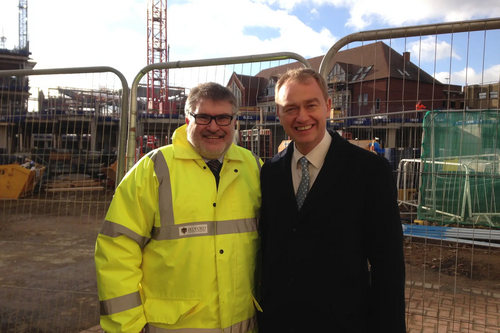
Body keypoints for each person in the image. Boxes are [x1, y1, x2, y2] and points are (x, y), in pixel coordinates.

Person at [95, 82, 262, 333]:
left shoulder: (254, 167)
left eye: (223, 118)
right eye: (203, 117)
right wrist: (126, 328)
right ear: (187, 120)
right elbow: (117, 250)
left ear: (234, 122)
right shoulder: (154, 169)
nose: (214, 126)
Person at [258, 68, 406, 332]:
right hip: (279, 322)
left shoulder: (369, 171)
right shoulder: (270, 172)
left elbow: (388, 267)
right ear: (278, 113)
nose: (302, 117)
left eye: (310, 105)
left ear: (327, 106)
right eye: (290, 108)